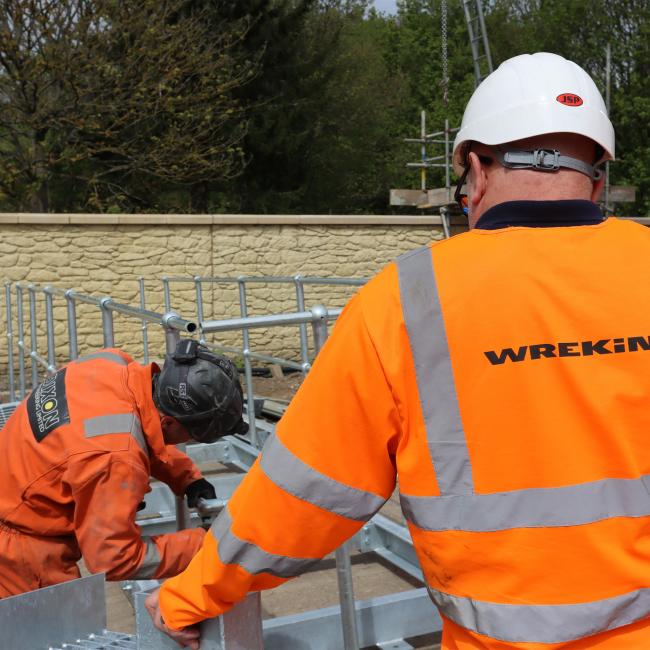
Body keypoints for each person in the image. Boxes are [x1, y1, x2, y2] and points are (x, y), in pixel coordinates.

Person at [147, 52, 650, 649]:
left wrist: (189, 594)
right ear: (597, 175)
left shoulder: (408, 301)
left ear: (474, 168)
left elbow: (301, 494)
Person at [0, 339, 245, 598]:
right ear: (171, 423)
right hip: (19, 552)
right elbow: (114, 558)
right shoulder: (114, 458)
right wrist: (206, 543)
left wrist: (187, 478)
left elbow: (139, 423)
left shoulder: (111, 363)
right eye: (193, 435)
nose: (189, 441)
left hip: (14, 483)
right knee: (53, 634)